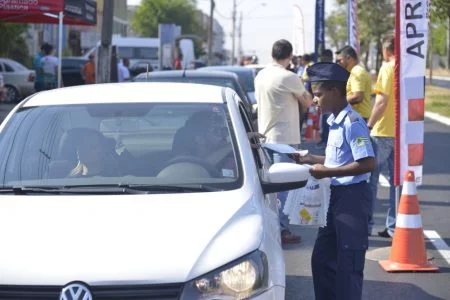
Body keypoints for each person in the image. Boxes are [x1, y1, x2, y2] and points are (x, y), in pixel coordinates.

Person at [291, 62, 374, 300]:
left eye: (318, 94)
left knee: (348, 265)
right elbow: (336, 159)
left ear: (335, 92)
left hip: (352, 199)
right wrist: (309, 158)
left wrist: (325, 172)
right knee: (322, 260)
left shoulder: (353, 123)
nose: (314, 100)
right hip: (334, 198)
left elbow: (367, 163)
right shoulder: (333, 121)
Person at [255, 39, 312, 245]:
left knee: (271, 188)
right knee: (285, 188)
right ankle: (282, 228)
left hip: (265, 137)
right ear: (289, 57)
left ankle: (273, 225)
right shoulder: (289, 77)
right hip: (284, 138)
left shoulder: (261, 75)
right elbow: (307, 100)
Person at [367, 35, 396, 238]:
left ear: (386, 50)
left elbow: (381, 101)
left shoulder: (387, 68)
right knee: (398, 182)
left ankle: (367, 224)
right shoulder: (408, 68)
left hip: (383, 130)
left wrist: (368, 124)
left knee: (371, 180)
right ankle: (394, 226)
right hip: (402, 132)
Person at [335, 45, 373, 123]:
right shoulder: (354, 72)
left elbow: (358, 97)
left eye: (340, 60)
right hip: (356, 117)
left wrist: (337, 102)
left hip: (358, 118)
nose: (338, 63)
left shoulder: (357, 72)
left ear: (348, 58)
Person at [316, 49, 334, 148]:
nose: (323, 60)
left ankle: (328, 142)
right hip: (323, 99)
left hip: (331, 100)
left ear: (330, 58)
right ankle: (324, 139)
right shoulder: (323, 69)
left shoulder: (334, 69)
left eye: (325, 58)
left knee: (330, 122)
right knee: (323, 121)